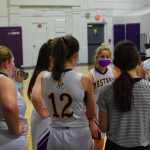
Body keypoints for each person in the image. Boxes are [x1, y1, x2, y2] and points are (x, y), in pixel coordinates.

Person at [41, 36, 96, 150]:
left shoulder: (45, 78)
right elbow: (91, 114)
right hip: (79, 135)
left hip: (55, 136)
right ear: (76, 55)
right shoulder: (84, 79)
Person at [97, 40, 150, 150]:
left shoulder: (106, 90)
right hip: (141, 146)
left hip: (114, 146)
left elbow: (103, 127)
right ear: (137, 61)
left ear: (116, 62)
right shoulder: (148, 88)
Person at [87, 43, 117, 150]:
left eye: (107, 57)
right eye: (102, 57)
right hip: (97, 113)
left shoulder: (113, 73)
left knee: (113, 141)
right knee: (99, 145)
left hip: (112, 112)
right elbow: (86, 99)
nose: (105, 59)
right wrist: (91, 121)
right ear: (96, 58)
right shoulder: (90, 75)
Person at [0, 46, 28, 150]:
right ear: (6, 64)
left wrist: (18, 85)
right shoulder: (5, 81)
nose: (14, 65)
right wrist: (15, 130)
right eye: (13, 61)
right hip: (9, 141)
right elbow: (9, 106)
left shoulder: (6, 81)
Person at [27, 40, 53, 150]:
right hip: (44, 121)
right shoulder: (44, 74)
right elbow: (35, 96)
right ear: (51, 58)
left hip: (44, 120)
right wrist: (44, 113)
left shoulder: (44, 72)